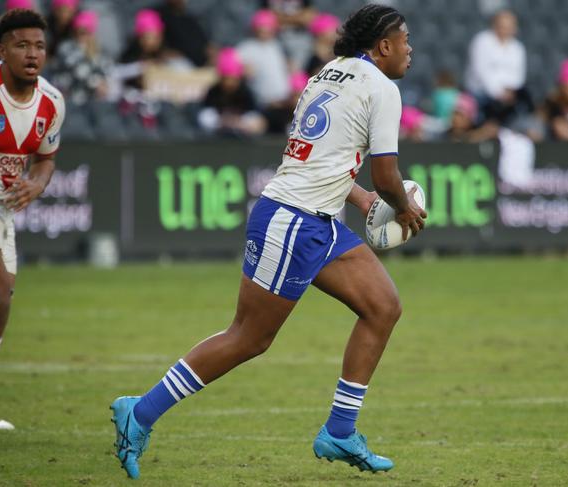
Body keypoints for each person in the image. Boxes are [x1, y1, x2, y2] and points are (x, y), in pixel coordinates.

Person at [110, 3, 426, 479]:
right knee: (249, 337)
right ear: (383, 46)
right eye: (404, 40)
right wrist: (400, 206)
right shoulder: (382, 88)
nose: (410, 48)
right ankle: (141, 411)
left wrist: (360, 200)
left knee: (383, 306)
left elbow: (319, 157)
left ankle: (340, 430)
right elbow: (386, 174)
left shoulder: (328, 73)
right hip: (294, 221)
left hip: (314, 219)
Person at [0, 8, 66, 429]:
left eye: (39, 46)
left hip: (3, 209)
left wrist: (38, 186)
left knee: (2, 301)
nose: (32, 53)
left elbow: (45, 160)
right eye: (22, 44)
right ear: (2, 49)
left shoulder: (52, 102)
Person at [464, 10, 532, 125]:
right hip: (481, 93)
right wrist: (498, 92)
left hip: (508, 94)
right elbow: (481, 72)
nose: (505, 30)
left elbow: (518, 76)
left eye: (509, 26)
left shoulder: (517, 48)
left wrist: (509, 91)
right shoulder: (482, 41)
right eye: (502, 26)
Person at [198, 47, 267, 137]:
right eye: (227, 79)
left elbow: (253, 113)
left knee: (256, 121)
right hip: (220, 122)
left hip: (240, 123)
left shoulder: (245, 90)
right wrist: (224, 120)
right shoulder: (213, 90)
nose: (230, 83)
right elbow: (207, 112)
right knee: (205, 117)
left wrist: (237, 121)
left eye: (233, 79)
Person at [49, 10, 112, 106]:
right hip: (71, 102)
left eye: (85, 32)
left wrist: (103, 84)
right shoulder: (66, 48)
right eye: (77, 31)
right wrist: (97, 83)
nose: (80, 36)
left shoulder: (100, 51)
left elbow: (107, 71)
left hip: (94, 102)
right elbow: (78, 71)